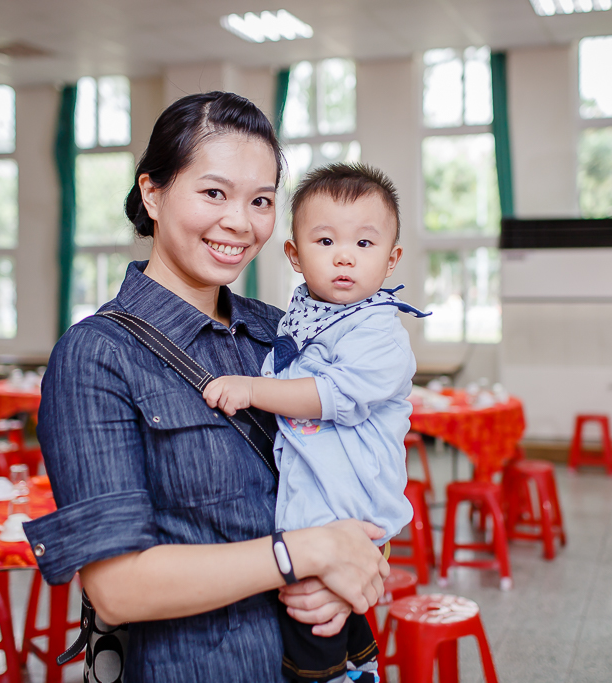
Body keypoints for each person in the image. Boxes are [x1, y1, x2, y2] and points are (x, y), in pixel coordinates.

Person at [24, 92, 389, 682]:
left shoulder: (282, 331)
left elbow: (361, 464)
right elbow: (116, 588)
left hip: (313, 662)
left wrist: (360, 563)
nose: (240, 223)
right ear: (153, 192)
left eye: (262, 200)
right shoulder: (97, 356)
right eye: (214, 193)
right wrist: (307, 552)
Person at [204, 163, 425, 683]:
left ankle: (330, 672)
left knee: (309, 624)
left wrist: (253, 389)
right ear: (295, 255)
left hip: (347, 504)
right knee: (323, 615)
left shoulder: (379, 333)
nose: (344, 255)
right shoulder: (299, 317)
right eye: (325, 240)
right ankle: (359, 659)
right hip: (315, 501)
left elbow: (332, 395)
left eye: (365, 244)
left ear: (392, 260)